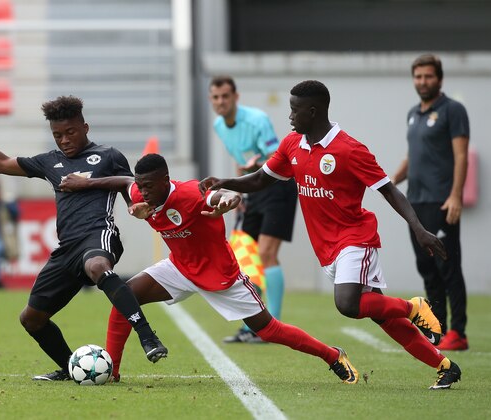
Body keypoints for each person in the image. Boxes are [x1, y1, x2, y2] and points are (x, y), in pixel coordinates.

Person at [199, 80, 462, 389]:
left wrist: (417, 227)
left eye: (295, 111)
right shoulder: (292, 145)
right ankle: (445, 366)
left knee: (348, 303)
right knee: (383, 316)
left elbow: (389, 190)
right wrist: (224, 181)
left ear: (313, 111)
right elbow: (260, 180)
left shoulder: (349, 149)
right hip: (327, 249)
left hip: (356, 238)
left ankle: (414, 306)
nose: (290, 117)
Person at [0, 95, 167, 381]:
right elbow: (1, 163)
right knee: (31, 318)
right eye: (57, 135)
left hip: (99, 234)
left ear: (85, 127)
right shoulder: (49, 162)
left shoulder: (108, 156)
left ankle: (147, 335)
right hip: (68, 249)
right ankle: (71, 368)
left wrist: (132, 204)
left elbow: (130, 187)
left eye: (70, 132)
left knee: (97, 267)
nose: (64, 140)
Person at [60, 153, 359, 385]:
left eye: (149, 186)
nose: (142, 192)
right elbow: (123, 182)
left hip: (221, 277)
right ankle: (113, 372)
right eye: (141, 186)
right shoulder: (140, 193)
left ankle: (333, 355)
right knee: (125, 296)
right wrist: (85, 184)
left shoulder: (190, 194)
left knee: (269, 330)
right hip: (179, 269)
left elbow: (222, 196)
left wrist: (229, 200)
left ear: (166, 180)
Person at [209, 76, 298, 343]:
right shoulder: (218, 125)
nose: (220, 101)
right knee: (246, 257)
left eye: (225, 96)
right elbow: (241, 163)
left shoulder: (257, 119)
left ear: (235, 97)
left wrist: (254, 164)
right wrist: (241, 193)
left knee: (266, 253)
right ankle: (254, 326)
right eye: (215, 97)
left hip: (278, 185)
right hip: (253, 190)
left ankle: (274, 327)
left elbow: (276, 158)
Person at [392, 54, 470, 351]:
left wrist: (456, 195)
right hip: (416, 204)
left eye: (428, 76)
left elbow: (461, 155)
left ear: (439, 79)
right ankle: (439, 328)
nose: (422, 82)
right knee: (427, 267)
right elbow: (413, 158)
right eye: (418, 77)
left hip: (442, 202)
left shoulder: (453, 110)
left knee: (448, 267)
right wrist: (388, 182)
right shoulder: (414, 113)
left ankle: (458, 333)